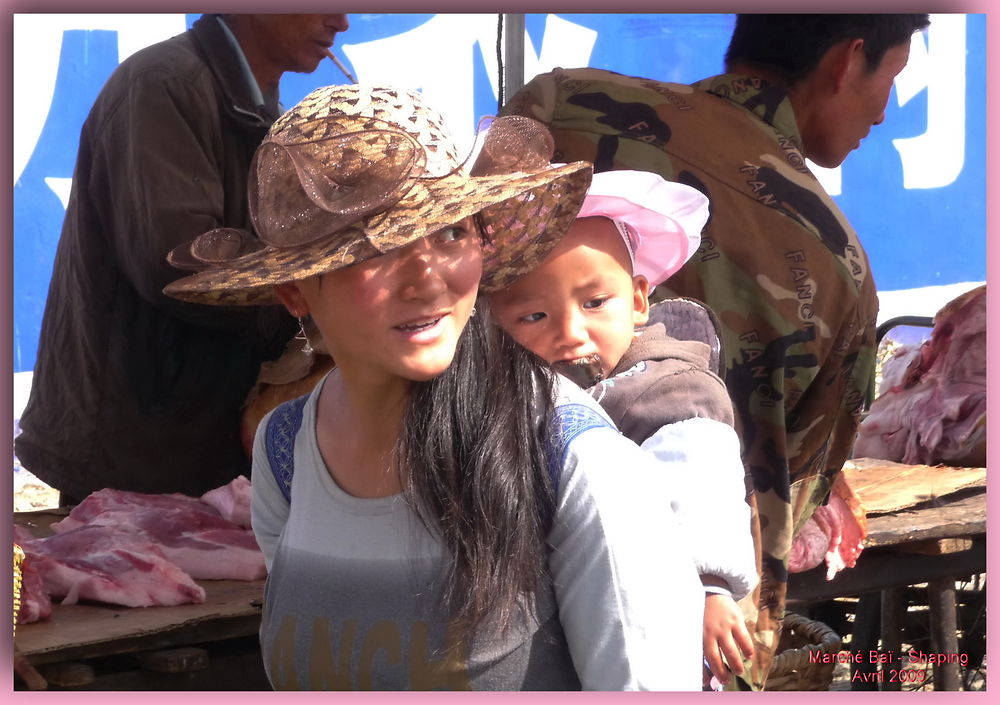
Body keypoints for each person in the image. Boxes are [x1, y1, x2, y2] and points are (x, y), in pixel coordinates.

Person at [163, 85, 706, 690]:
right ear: (296, 291)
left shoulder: (570, 457)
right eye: (376, 248)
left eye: (451, 234)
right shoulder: (285, 448)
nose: (427, 280)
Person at [501, 13, 930, 688]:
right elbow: (798, 482)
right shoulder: (837, 266)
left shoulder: (558, 103)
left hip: (492, 581)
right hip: (692, 630)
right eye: (893, 75)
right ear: (848, 62)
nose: (887, 108)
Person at [15, 14, 350, 502]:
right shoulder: (160, 86)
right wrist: (320, 296)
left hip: (197, 448)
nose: (339, 22)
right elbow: (182, 267)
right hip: (135, 455)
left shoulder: (260, 108)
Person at [487, 169, 757, 687]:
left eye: (594, 304)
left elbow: (700, 489)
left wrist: (708, 587)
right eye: (533, 316)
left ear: (637, 300)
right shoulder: (512, 396)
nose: (570, 333)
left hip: (657, 616)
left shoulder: (667, 393)